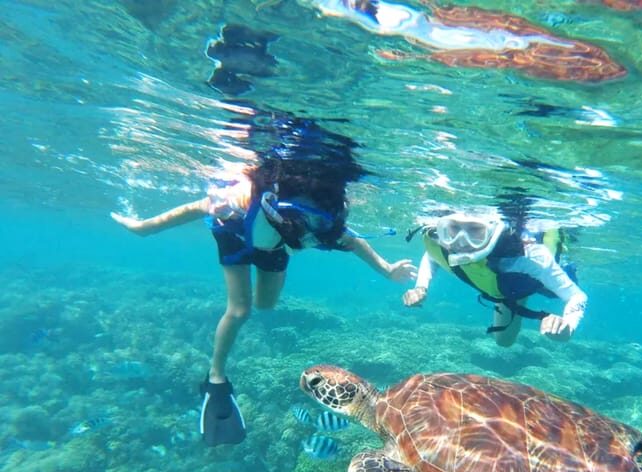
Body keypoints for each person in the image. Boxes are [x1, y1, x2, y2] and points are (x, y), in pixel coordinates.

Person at [112, 113, 415, 447]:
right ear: (276, 203)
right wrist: (145, 228)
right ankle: (215, 378)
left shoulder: (324, 226)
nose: (301, 225)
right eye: (295, 216)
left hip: (273, 246)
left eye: (312, 221)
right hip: (236, 237)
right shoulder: (242, 199)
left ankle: (262, 285)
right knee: (240, 310)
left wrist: (387, 270)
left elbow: (355, 243)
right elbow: (196, 208)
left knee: (266, 305)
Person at [403, 198, 587, 347]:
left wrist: (568, 327)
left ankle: (520, 292)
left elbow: (577, 296)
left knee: (506, 335)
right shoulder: (442, 243)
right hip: (501, 284)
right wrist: (421, 287)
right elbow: (432, 256)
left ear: (493, 232)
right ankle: (513, 294)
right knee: (503, 342)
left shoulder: (527, 258)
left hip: (523, 278)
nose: (461, 242)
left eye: (475, 231)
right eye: (453, 229)